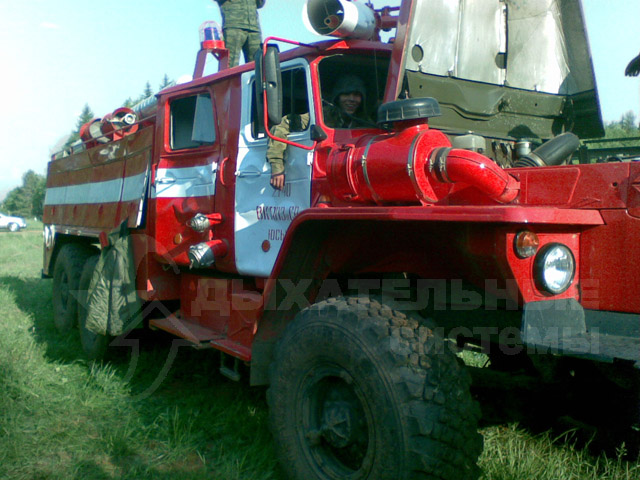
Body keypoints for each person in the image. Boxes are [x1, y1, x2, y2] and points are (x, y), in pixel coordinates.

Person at [266, 74, 371, 190]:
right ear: (337, 97)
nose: (351, 99)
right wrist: (277, 167)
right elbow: (282, 126)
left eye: (356, 95)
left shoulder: (366, 122)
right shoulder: (322, 116)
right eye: (346, 94)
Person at [214, 0, 265, 68]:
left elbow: (260, 3)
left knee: (257, 67)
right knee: (229, 66)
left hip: (253, 28)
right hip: (233, 26)